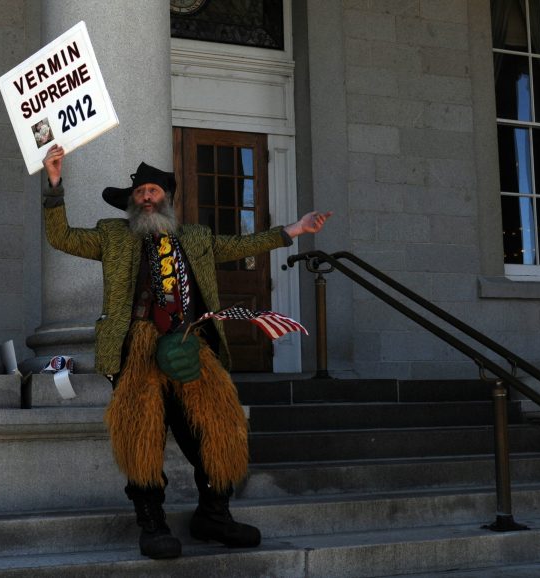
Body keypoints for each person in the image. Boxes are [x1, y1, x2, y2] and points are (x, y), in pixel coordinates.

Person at [41, 144, 331, 560]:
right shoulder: (114, 235)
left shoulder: (195, 238)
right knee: (143, 436)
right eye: (140, 192)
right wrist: (53, 183)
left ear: (167, 199)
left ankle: (214, 514)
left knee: (219, 429)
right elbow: (61, 237)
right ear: (132, 202)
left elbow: (241, 245)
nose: (146, 196)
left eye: (154, 191)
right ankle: (152, 524)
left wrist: (295, 230)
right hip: (137, 348)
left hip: (190, 344)